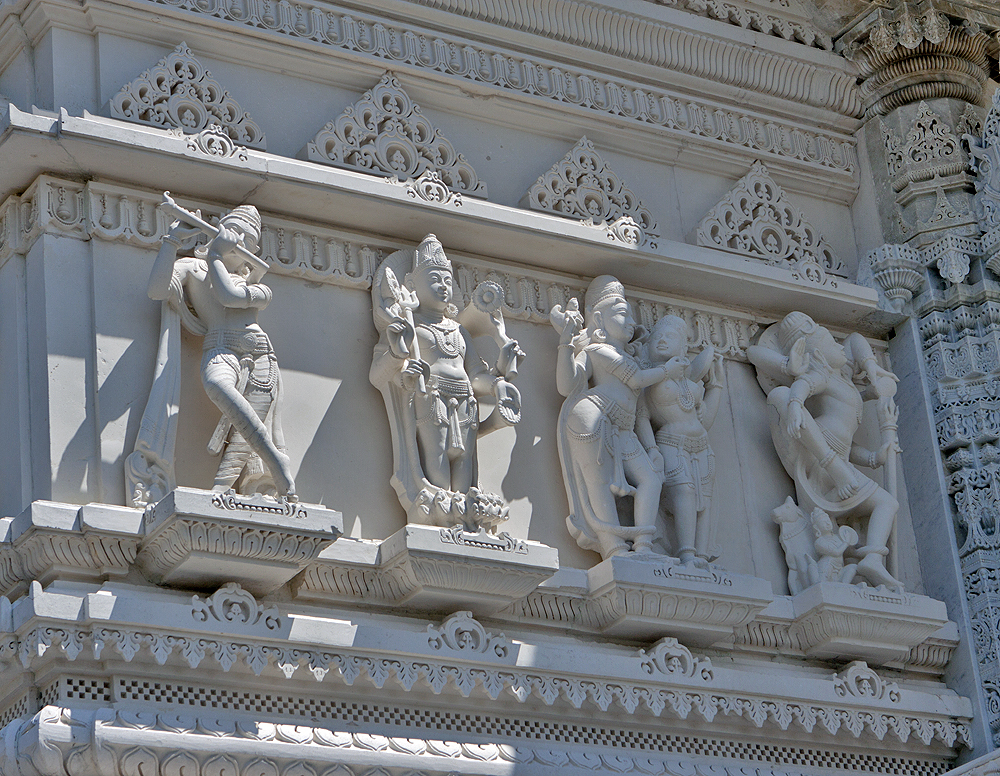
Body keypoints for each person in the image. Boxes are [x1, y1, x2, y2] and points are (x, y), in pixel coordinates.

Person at [145, 205, 296, 499]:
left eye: (248, 240)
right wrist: (171, 241)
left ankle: (220, 490)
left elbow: (228, 296)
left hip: (260, 356)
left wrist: (216, 255)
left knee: (242, 438)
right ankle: (278, 461)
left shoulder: (258, 288)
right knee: (216, 384)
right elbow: (156, 290)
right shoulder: (193, 268)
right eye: (235, 232)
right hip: (219, 348)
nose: (239, 241)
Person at [370, 234, 521, 527]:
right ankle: (441, 514)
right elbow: (379, 373)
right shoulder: (411, 326)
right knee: (438, 465)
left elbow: (475, 374)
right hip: (432, 402)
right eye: (435, 279)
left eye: (448, 281)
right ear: (413, 285)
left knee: (464, 467)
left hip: (466, 403)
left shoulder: (458, 330)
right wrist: (401, 366)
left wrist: (496, 384)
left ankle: (464, 517)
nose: (444, 286)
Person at [748, 311, 900, 590]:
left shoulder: (842, 379)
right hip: (821, 458)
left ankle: (873, 559)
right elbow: (757, 354)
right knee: (780, 396)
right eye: (833, 344)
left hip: (842, 457)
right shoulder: (821, 375)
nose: (841, 347)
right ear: (815, 353)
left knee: (887, 503)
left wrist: (873, 457)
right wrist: (794, 399)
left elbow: (855, 339)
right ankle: (835, 471)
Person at [550, 276, 671, 559]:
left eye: (631, 314)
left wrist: (652, 448)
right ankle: (613, 548)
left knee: (651, 480)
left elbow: (639, 409)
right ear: (599, 320)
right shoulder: (596, 350)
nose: (630, 320)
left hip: (625, 427)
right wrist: (566, 344)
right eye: (621, 313)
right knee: (598, 481)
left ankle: (643, 545)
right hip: (592, 416)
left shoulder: (629, 356)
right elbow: (568, 386)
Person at [635, 315, 723, 568]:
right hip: (671, 441)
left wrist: (716, 385)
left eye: (670, 337)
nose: (662, 340)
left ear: (683, 347)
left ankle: (702, 557)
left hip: (702, 444)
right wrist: (651, 449)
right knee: (684, 492)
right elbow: (642, 416)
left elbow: (704, 421)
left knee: (704, 498)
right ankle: (686, 555)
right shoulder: (647, 375)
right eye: (657, 337)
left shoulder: (688, 381)